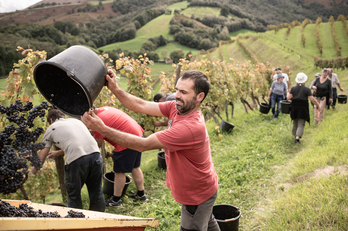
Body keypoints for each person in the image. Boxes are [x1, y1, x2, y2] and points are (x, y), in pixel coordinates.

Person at [82, 69, 220, 231]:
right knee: (208, 223)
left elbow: (143, 145)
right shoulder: (178, 108)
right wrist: (115, 88)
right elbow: (140, 105)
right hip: (202, 187)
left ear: (199, 97)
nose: (176, 95)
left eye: (183, 92)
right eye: (176, 90)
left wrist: (103, 129)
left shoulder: (190, 127)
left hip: (197, 195)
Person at [31, 109, 105, 212]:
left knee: (74, 196)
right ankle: (98, 222)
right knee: (96, 193)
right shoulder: (76, 121)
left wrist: (32, 171)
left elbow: (41, 158)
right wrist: (58, 153)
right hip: (95, 156)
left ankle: (78, 225)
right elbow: (77, 143)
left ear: (51, 120)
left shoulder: (51, 128)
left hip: (76, 162)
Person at [92, 106, 146, 207]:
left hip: (126, 141)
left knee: (119, 172)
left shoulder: (97, 122)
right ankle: (141, 195)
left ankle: (116, 200)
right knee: (135, 167)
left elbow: (97, 145)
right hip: (137, 134)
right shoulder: (103, 110)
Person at [287, 73, 320, 143]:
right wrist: (317, 104)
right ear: (304, 81)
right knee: (301, 122)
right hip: (303, 107)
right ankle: (297, 138)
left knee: (295, 121)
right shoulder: (307, 89)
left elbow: (288, 98)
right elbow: (312, 99)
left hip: (294, 106)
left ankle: (294, 135)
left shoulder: (293, 88)